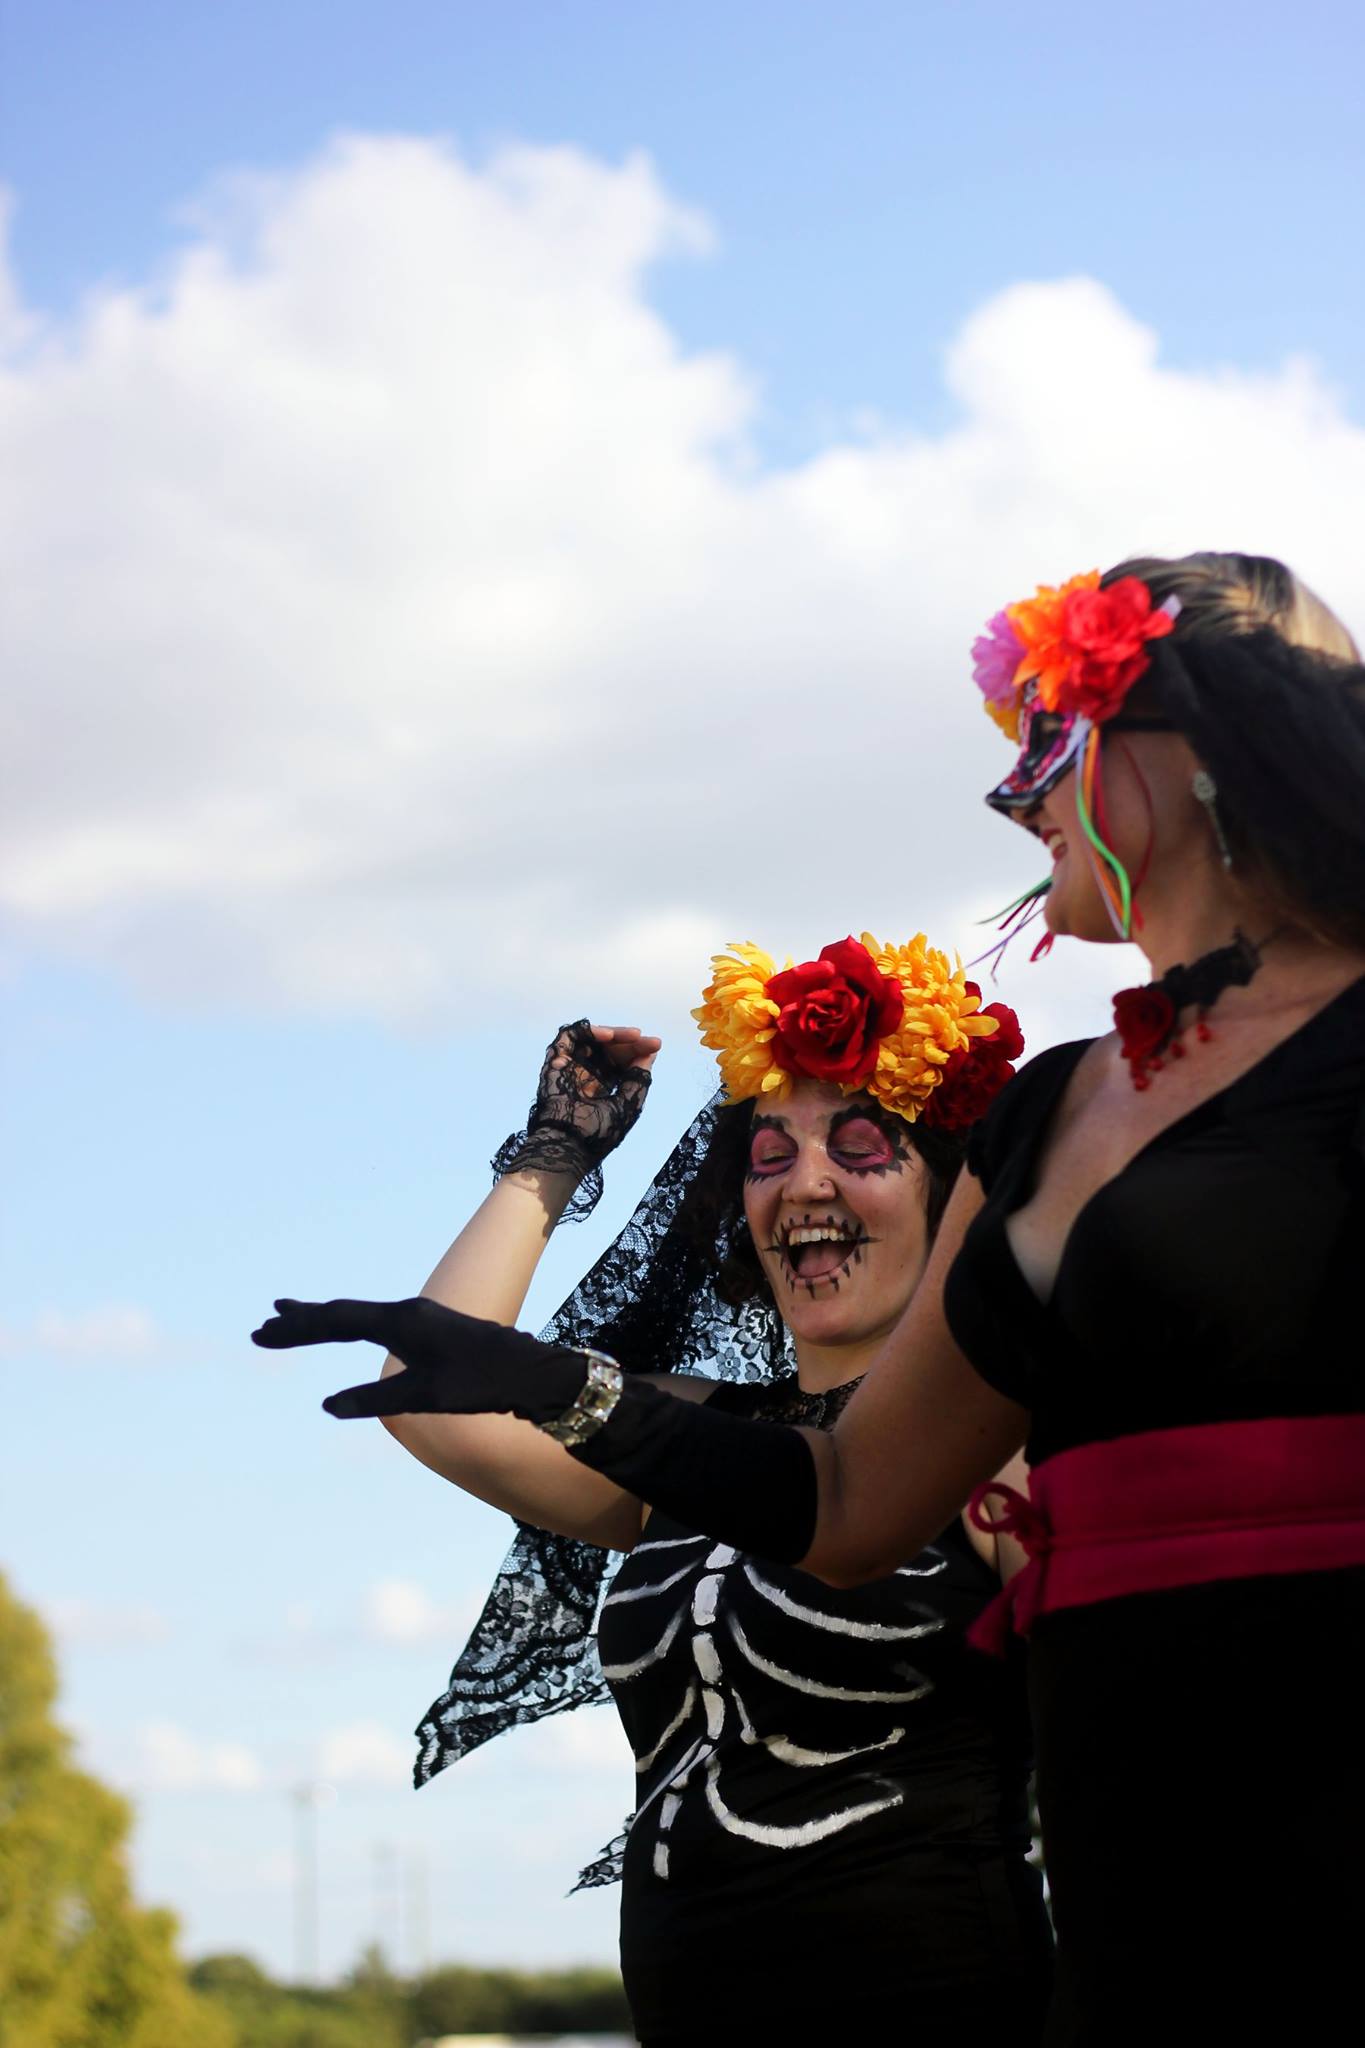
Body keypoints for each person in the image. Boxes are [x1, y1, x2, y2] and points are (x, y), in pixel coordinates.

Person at [256, 552, 1365, 2044]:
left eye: (1048, 746)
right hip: (1127, 1901)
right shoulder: (1053, 1121)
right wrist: (543, 1322)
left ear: (1180, 750)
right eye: (764, 1153)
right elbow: (840, 1503)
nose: (1016, 802)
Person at [268, 939, 1048, 2043]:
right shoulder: (690, 1441)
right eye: (768, 1153)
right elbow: (433, 1392)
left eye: (861, 1145)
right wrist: (553, 1153)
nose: (806, 1181)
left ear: (952, 1195)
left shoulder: (1004, 1452)